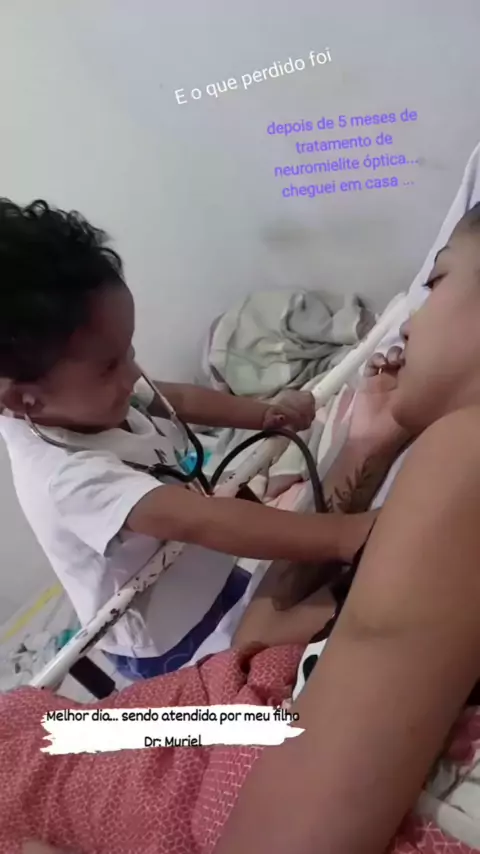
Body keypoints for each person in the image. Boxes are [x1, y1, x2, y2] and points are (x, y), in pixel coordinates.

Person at [0, 198, 378, 681]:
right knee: (314, 644)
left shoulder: (79, 397)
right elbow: (202, 519)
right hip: (172, 638)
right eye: (111, 366)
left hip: (208, 574)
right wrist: (348, 536)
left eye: (129, 350)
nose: (133, 372)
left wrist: (265, 414)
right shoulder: (67, 479)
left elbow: (172, 397)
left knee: (298, 600)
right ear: (26, 401)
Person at [214, 203, 480, 854]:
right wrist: (370, 445)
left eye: (438, 281)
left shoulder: (466, 458)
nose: (410, 322)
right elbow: (259, 640)